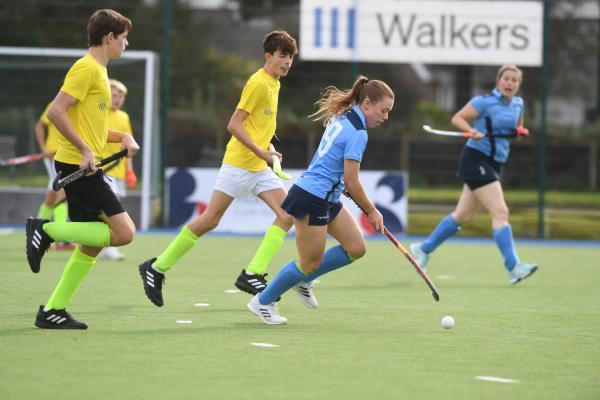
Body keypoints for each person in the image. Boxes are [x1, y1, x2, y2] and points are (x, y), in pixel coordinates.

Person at [138, 30, 298, 307]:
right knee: (211, 220)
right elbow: (234, 125)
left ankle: (252, 272)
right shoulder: (258, 83)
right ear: (268, 56)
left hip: (259, 166)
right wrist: (260, 150)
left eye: (291, 57)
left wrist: (268, 148)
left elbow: (259, 125)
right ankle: (157, 267)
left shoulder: (275, 83)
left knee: (287, 215)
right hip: (238, 164)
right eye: (282, 56)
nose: (287, 62)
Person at [247, 75, 395, 324]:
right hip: (311, 197)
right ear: (367, 104)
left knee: (356, 248)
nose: (385, 117)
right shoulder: (358, 132)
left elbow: (338, 169)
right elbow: (352, 181)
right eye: (384, 110)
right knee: (309, 262)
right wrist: (371, 211)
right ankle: (262, 301)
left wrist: (341, 184)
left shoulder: (344, 116)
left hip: (327, 196)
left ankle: (303, 281)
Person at [25, 9, 138, 329]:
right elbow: (56, 112)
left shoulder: (100, 72)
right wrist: (87, 149)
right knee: (124, 233)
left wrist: (123, 136)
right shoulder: (86, 68)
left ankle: (53, 310)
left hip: (85, 163)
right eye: (124, 37)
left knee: (92, 243)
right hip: (78, 164)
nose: (127, 43)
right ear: (109, 38)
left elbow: (93, 128)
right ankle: (45, 230)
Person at [410, 64, 538, 285]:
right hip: (475, 158)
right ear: (498, 81)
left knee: (463, 215)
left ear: (519, 85)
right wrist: (471, 131)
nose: (509, 83)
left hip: (495, 162)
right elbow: (458, 118)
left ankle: (422, 249)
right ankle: (513, 267)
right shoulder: (485, 101)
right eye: (506, 79)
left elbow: (517, 130)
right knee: (500, 211)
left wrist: (519, 133)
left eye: (514, 80)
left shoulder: (519, 104)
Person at [99, 79, 137, 261]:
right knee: (112, 211)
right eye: (114, 95)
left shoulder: (124, 117)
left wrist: (130, 171)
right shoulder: (99, 113)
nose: (118, 99)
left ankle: (102, 246)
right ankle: (106, 247)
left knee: (110, 210)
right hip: (101, 170)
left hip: (119, 171)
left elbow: (127, 146)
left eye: (121, 96)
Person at [34, 103, 75, 250]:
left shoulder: (80, 106)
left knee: (52, 195)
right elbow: (39, 125)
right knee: (62, 193)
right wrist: (44, 149)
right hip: (55, 157)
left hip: (66, 155)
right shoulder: (56, 103)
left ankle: (35, 231)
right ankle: (61, 240)